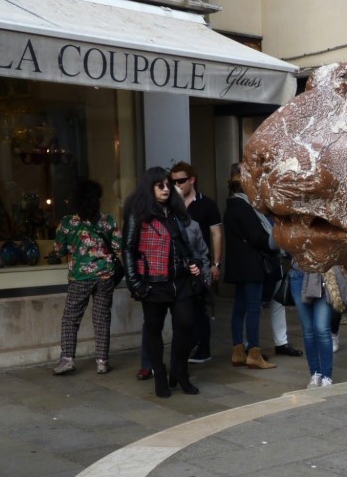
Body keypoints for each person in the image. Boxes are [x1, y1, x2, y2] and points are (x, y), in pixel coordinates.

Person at [123, 167, 207, 397]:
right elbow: (128, 249)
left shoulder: (176, 213)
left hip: (180, 282)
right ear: (150, 187)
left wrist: (195, 262)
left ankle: (179, 372)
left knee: (186, 326)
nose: (166, 189)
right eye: (160, 185)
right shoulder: (137, 213)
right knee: (153, 330)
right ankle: (159, 374)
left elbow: (188, 247)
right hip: (153, 284)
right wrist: (135, 283)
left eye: (169, 185)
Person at [51, 179, 122, 376]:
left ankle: (67, 360)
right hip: (105, 275)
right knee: (101, 318)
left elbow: (58, 251)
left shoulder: (67, 223)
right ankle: (102, 361)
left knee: (71, 319)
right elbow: (118, 247)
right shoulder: (108, 221)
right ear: (98, 199)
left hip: (79, 277)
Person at [222, 163, 277, 371]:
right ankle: (254, 353)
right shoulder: (244, 207)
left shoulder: (232, 206)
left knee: (240, 308)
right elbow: (258, 237)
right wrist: (274, 238)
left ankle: (238, 352)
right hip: (252, 266)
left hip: (238, 266)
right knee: (253, 308)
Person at [170, 162, 222, 365]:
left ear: (192, 179)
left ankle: (203, 348)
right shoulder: (171, 206)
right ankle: (189, 345)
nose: (177, 185)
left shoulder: (206, 204)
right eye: (173, 181)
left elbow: (216, 234)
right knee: (184, 310)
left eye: (181, 180)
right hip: (178, 268)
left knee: (200, 308)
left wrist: (216, 264)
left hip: (200, 263)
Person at [289, 262, 335, 387]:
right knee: (308, 330)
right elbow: (273, 244)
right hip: (298, 275)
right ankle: (315, 373)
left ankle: (326, 376)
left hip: (323, 275)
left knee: (321, 328)